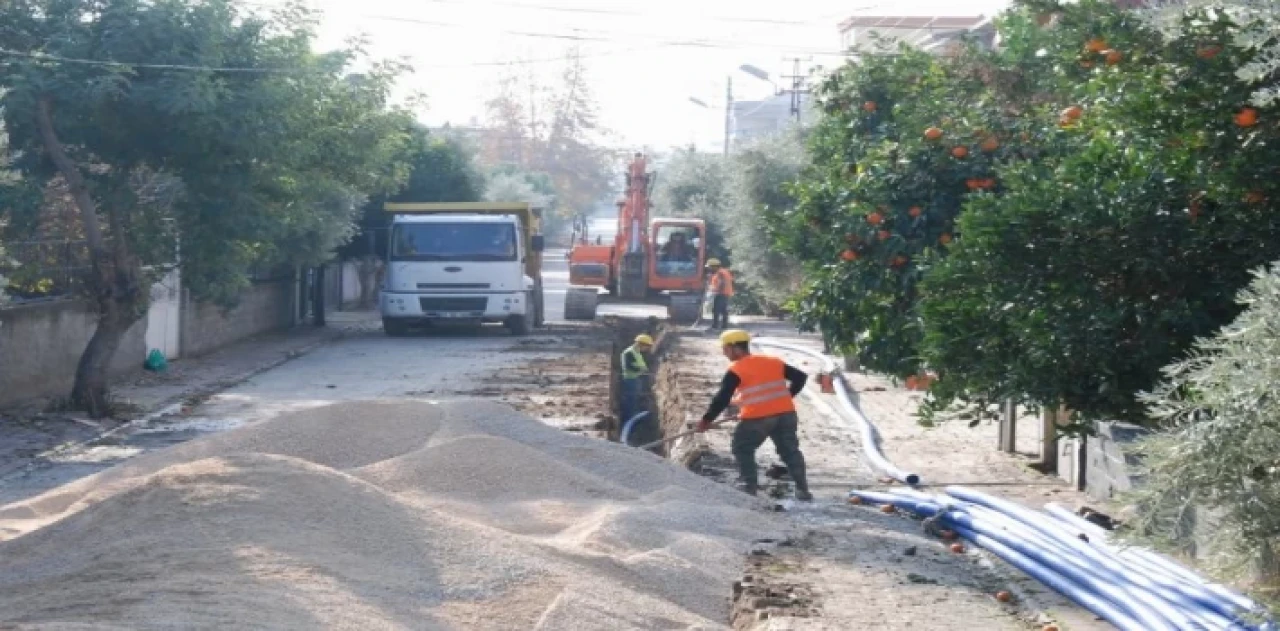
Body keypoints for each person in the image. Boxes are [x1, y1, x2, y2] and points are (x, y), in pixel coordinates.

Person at [697, 329, 812, 500]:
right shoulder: (772, 362)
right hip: (786, 414)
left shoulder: (736, 369)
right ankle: (803, 491)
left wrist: (706, 420)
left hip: (758, 419)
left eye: (725, 349)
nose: (724, 353)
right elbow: (800, 377)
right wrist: (787, 397)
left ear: (735, 348)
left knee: (742, 447)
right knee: (790, 451)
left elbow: (722, 397)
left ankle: (749, 487)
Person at [619, 334, 655, 436]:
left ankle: (634, 418)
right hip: (630, 379)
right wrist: (641, 370)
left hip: (635, 378)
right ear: (641, 344)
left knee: (634, 399)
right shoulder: (628, 353)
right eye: (647, 346)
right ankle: (629, 421)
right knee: (630, 401)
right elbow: (628, 366)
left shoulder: (636, 352)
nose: (647, 349)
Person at [706, 259, 734, 330]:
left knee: (716, 310)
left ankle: (715, 326)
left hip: (721, 293)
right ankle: (724, 326)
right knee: (724, 310)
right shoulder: (724, 271)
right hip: (725, 293)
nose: (709, 268)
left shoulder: (720, 273)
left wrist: (717, 291)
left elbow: (721, 282)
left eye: (710, 267)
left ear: (714, 266)